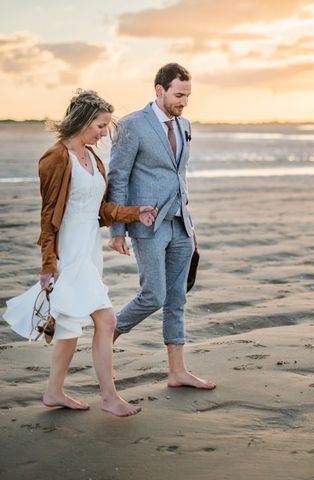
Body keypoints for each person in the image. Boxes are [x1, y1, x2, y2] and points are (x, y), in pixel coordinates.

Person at [3, 89, 157, 417]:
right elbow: (48, 218)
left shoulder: (93, 159)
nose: (104, 133)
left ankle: (53, 392)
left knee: (70, 327)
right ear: (84, 121)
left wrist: (134, 212)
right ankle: (110, 397)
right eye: (101, 126)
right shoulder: (56, 158)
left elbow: (99, 211)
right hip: (68, 255)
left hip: (89, 252)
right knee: (107, 318)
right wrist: (48, 265)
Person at [107, 63, 215, 390]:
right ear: (160, 90)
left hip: (181, 224)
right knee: (152, 295)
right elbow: (118, 178)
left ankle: (177, 372)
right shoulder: (132, 126)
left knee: (177, 297)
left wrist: (191, 226)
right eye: (179, 95)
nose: (184, 102)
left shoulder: (184, 125)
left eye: (188, 96)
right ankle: (105, 339)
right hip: (148, 225)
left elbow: (178, 176)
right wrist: (117, 230)